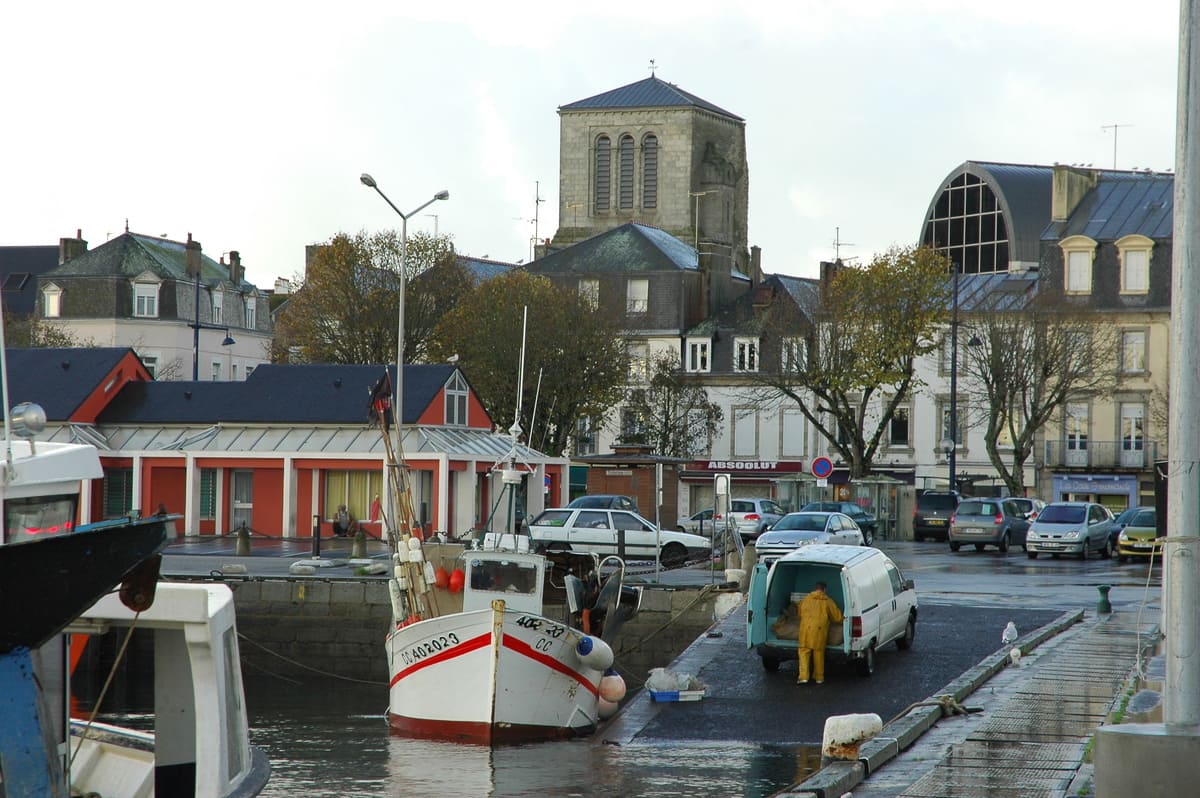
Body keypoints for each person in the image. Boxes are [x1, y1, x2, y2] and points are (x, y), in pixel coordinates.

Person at [796, 581, 843, 685]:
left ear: (815, 588)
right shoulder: (827, 601)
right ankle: (819, 677)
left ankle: (803, 677)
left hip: (805, 631)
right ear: (824, 590)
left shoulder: (806, 599)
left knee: (804, 652)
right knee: (818, 654)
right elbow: (837, 617)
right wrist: (844, 620)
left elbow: (799, 613)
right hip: (819, 632)